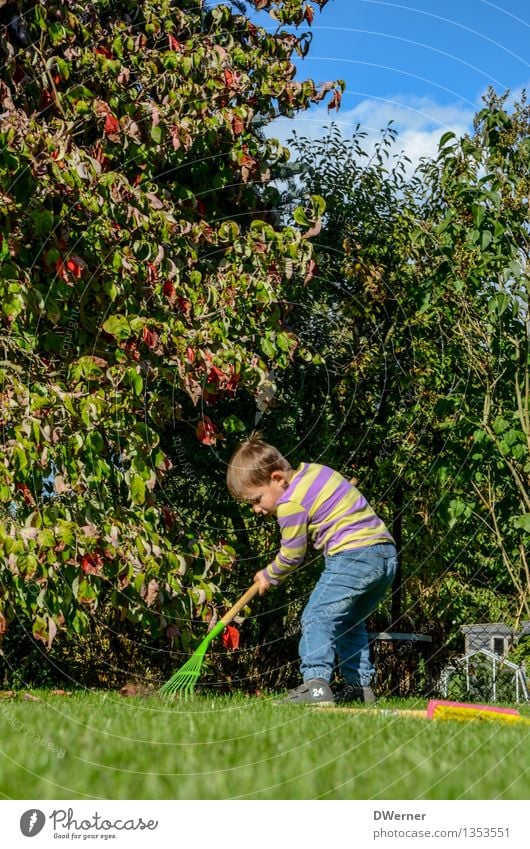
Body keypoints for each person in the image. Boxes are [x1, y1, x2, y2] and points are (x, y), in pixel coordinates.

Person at [226, 433, 398, 705]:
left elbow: (293, 554)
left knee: (316, 615)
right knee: (349, 621)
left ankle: (317, 686)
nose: (256, 509)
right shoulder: (318, 471)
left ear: (278, 479)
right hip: (385, 555)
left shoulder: (289, 504)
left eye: (256, 500)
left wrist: (269, 574)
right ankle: (360, 689)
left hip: (352, 554)